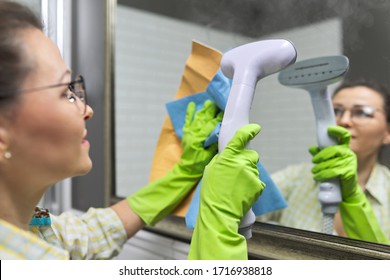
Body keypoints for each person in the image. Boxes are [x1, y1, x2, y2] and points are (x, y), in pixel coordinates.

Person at [0, 1, 264, 260]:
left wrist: (184, 173)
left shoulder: (33, 225)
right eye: (64, 92)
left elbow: (92, 233)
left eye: (74, 88)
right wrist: (218, 217)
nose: (87, 109)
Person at [258, 79, 390, 244]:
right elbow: (241, 213)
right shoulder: (296, 178)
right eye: (335, 111)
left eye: (362, 112)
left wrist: (352, 198)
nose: (344, 121)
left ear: (387, 132)